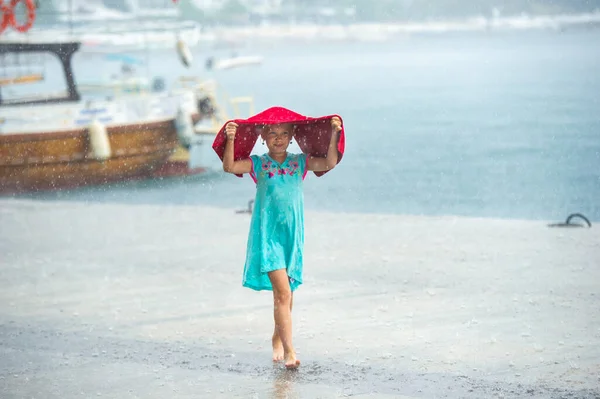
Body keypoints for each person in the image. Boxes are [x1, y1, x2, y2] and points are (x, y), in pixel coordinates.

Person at [222, 116, 343, 369]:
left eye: (284, 133)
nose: (278, 138)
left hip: (293, 235)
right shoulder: (258, 164)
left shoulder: (299, 162)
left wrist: (334, 134)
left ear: (291, 136)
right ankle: (290, 350)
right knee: (283, 293)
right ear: (263, 138)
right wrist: (231, 138)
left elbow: (330, 162)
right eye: (272, 133)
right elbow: (230, 166)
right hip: (268, 235)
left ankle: (277, 336)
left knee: (287, 295)